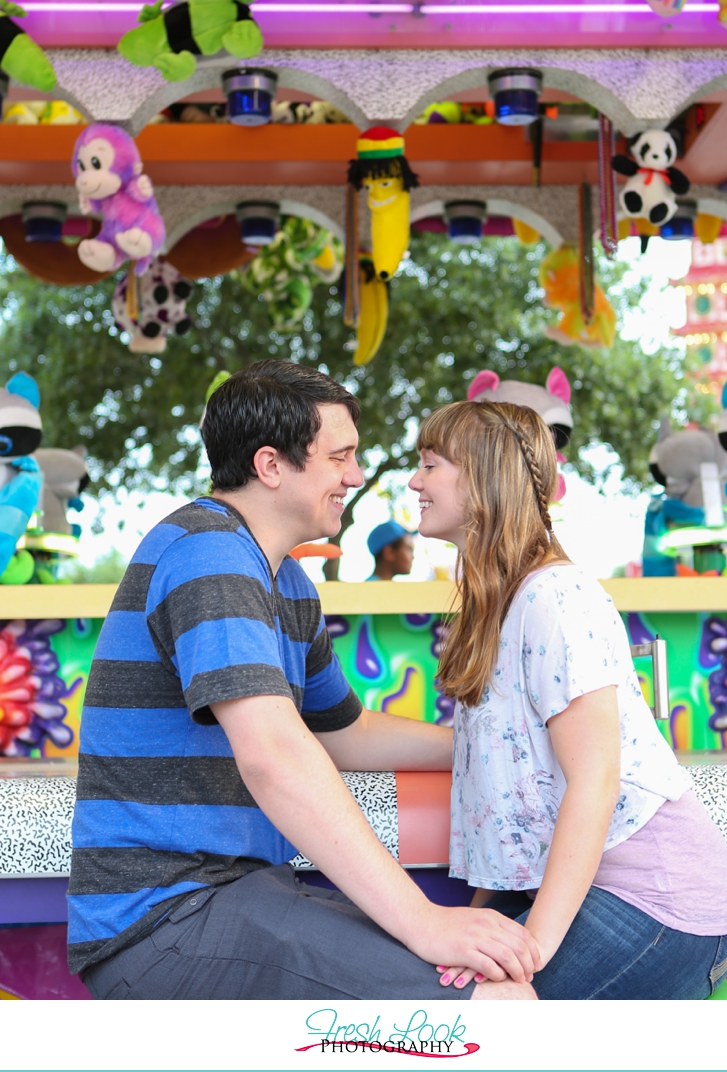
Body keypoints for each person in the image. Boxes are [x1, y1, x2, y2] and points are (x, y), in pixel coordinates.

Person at [67, 361, 538, 1001]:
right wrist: (425, 921)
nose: (357, 475)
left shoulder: (285, 580)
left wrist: (483, 742)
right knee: (498, 1006)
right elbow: (276, 756)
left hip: (235, 895)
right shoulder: (207, 552)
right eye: (339, 456)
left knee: (497, 982)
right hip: (164, 921)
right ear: (270, 465)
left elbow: (343, 733)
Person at [408, 399, 727, 1001]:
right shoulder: (501, 606)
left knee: (481, 1010)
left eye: (430, 463)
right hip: (588, 893)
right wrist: (482, 924)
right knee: (438, 993)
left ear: (484, 478)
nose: (415, 480)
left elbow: (597, 782)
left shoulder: (554, 599)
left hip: (664, 909)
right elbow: (501, 778)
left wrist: (528, 952)